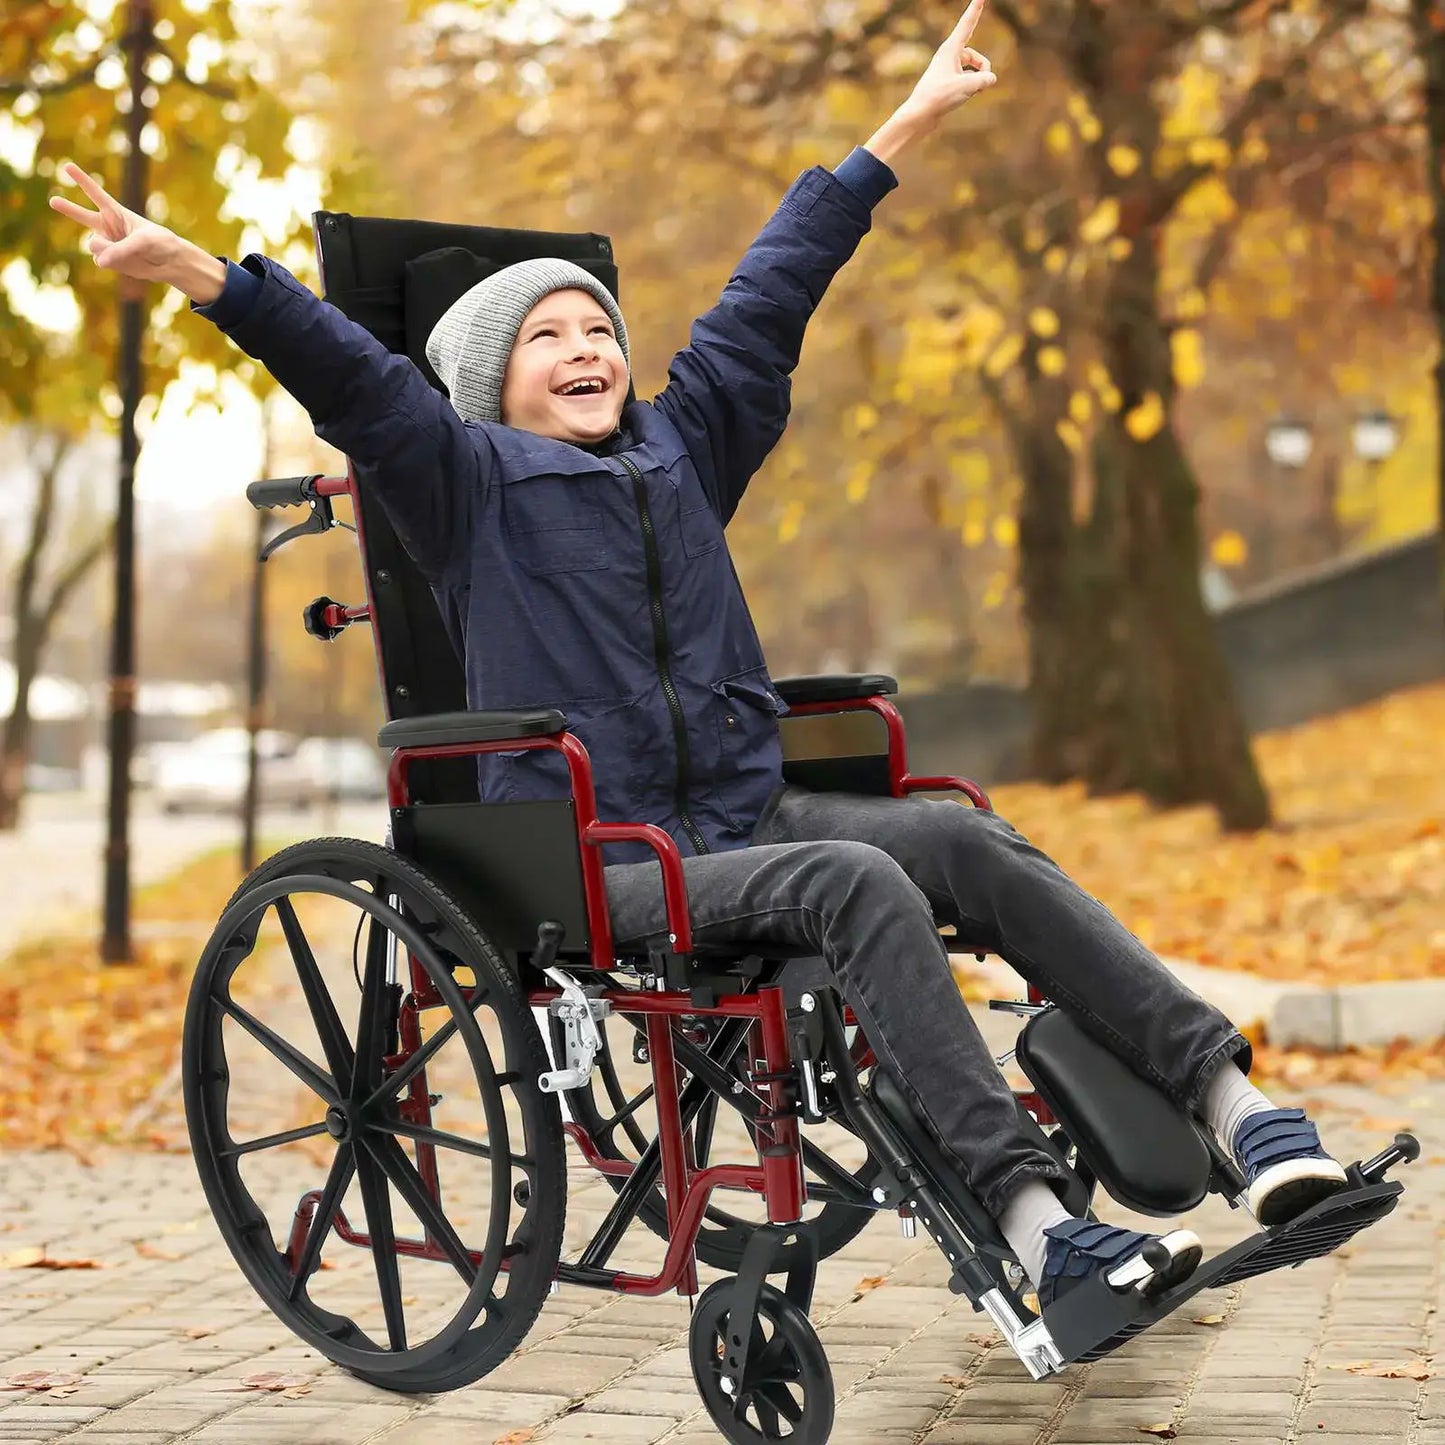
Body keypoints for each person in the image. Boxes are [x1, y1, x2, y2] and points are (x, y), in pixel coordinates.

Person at [53, 0, 1347, 1309]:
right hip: (603, 853)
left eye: (598, 326)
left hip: (741, 809)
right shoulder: (460, 479)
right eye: (548, 336)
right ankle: (1029, 1220)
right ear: (489, 383)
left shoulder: (684, 447)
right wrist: (206, 274)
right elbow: (347, 373)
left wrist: (902, 127)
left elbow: (772, 285)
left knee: (964, 839)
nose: (587, 346)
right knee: (854, 882)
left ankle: (1232, 1106)